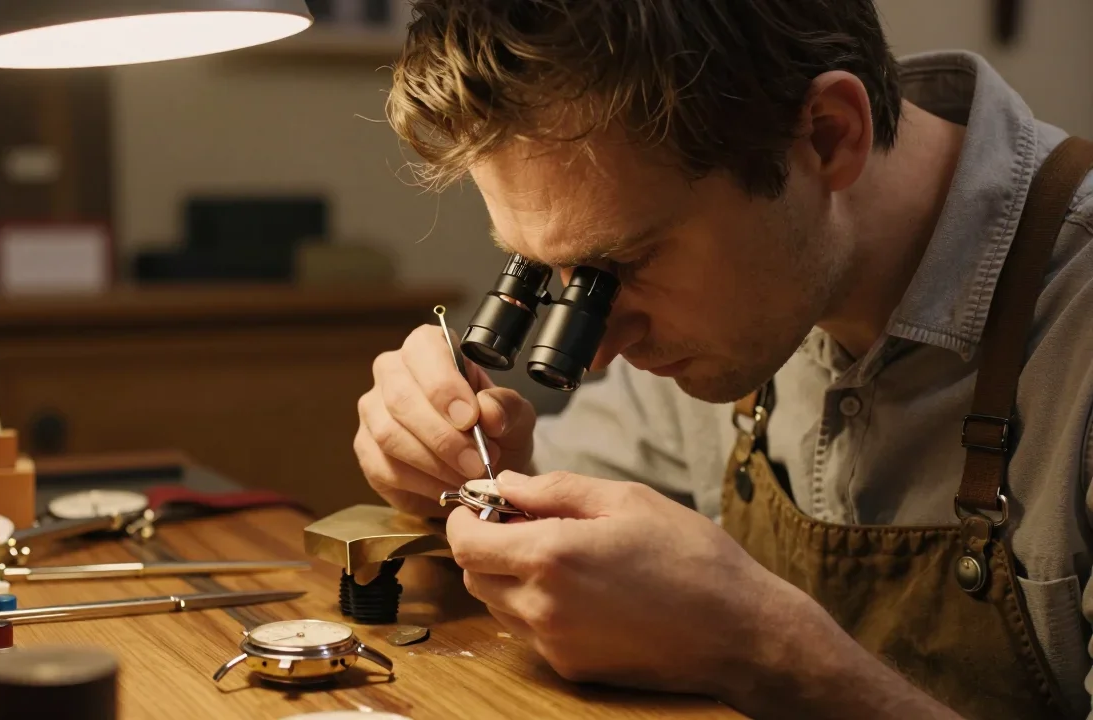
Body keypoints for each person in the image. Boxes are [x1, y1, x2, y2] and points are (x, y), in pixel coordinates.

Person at [352, 2, 1093, 718]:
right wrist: (454, 476)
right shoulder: (734, 302)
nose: (601, 350)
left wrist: (768, 651)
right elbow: (534, 533)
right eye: (557, 280)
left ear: (829, 138)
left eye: (627, 264)